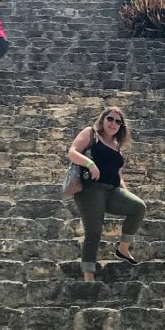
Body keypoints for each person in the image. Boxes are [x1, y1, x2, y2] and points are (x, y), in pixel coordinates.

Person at [67, 106, 146, 281]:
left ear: (121, 126)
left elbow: (118, 174)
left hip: (112, 191)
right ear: (102, 119)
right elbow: (72, 152)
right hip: (90, 190)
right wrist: (90, 164)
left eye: (118, 121)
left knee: (139, 207)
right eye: (110, 118)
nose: (113, 123)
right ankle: (89, 277)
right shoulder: (91, 133)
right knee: (94, 232)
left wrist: (126, 194)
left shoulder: (116, 145)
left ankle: (123, 249)